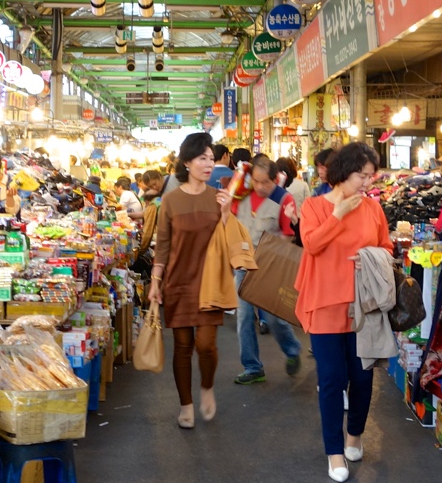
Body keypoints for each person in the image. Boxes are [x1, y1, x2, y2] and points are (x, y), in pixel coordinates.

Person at [297, 142, 393, 482]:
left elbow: (387, 247)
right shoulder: (313, 206)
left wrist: (372, 256)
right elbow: (311, 244)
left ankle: (355, 434)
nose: (366, 183)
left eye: (370, 176)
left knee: (363, 377)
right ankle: (334, 453)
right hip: (325, 303)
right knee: (332, 379)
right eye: (361, 175)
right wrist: (338, 215)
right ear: (343, 171)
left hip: (363, 305)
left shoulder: (373, 209)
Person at [149, 132, 233, 429]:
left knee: (206, 345)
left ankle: (207, 386)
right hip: (178, 281)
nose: (209, 164)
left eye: (211, 158)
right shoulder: (170, 201)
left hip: (210, 282)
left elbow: (227, 241)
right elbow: (163, 245)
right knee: (182, 345)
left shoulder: (219, 198)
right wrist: (155, 281)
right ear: (187, 162)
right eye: (202, 159)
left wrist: (225, 212)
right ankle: (186, 404)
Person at [232, 155, 302, 383]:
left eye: (266, 182)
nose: (261, 187)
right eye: (257, 181)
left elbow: (289, 235)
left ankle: (292, 350)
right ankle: (253, 367)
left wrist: (271, 249)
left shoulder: (284, 199)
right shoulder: (240, 194)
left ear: (276, 180)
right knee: (243, 317)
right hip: (243, 265)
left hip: (269, 268)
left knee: (274, 318)